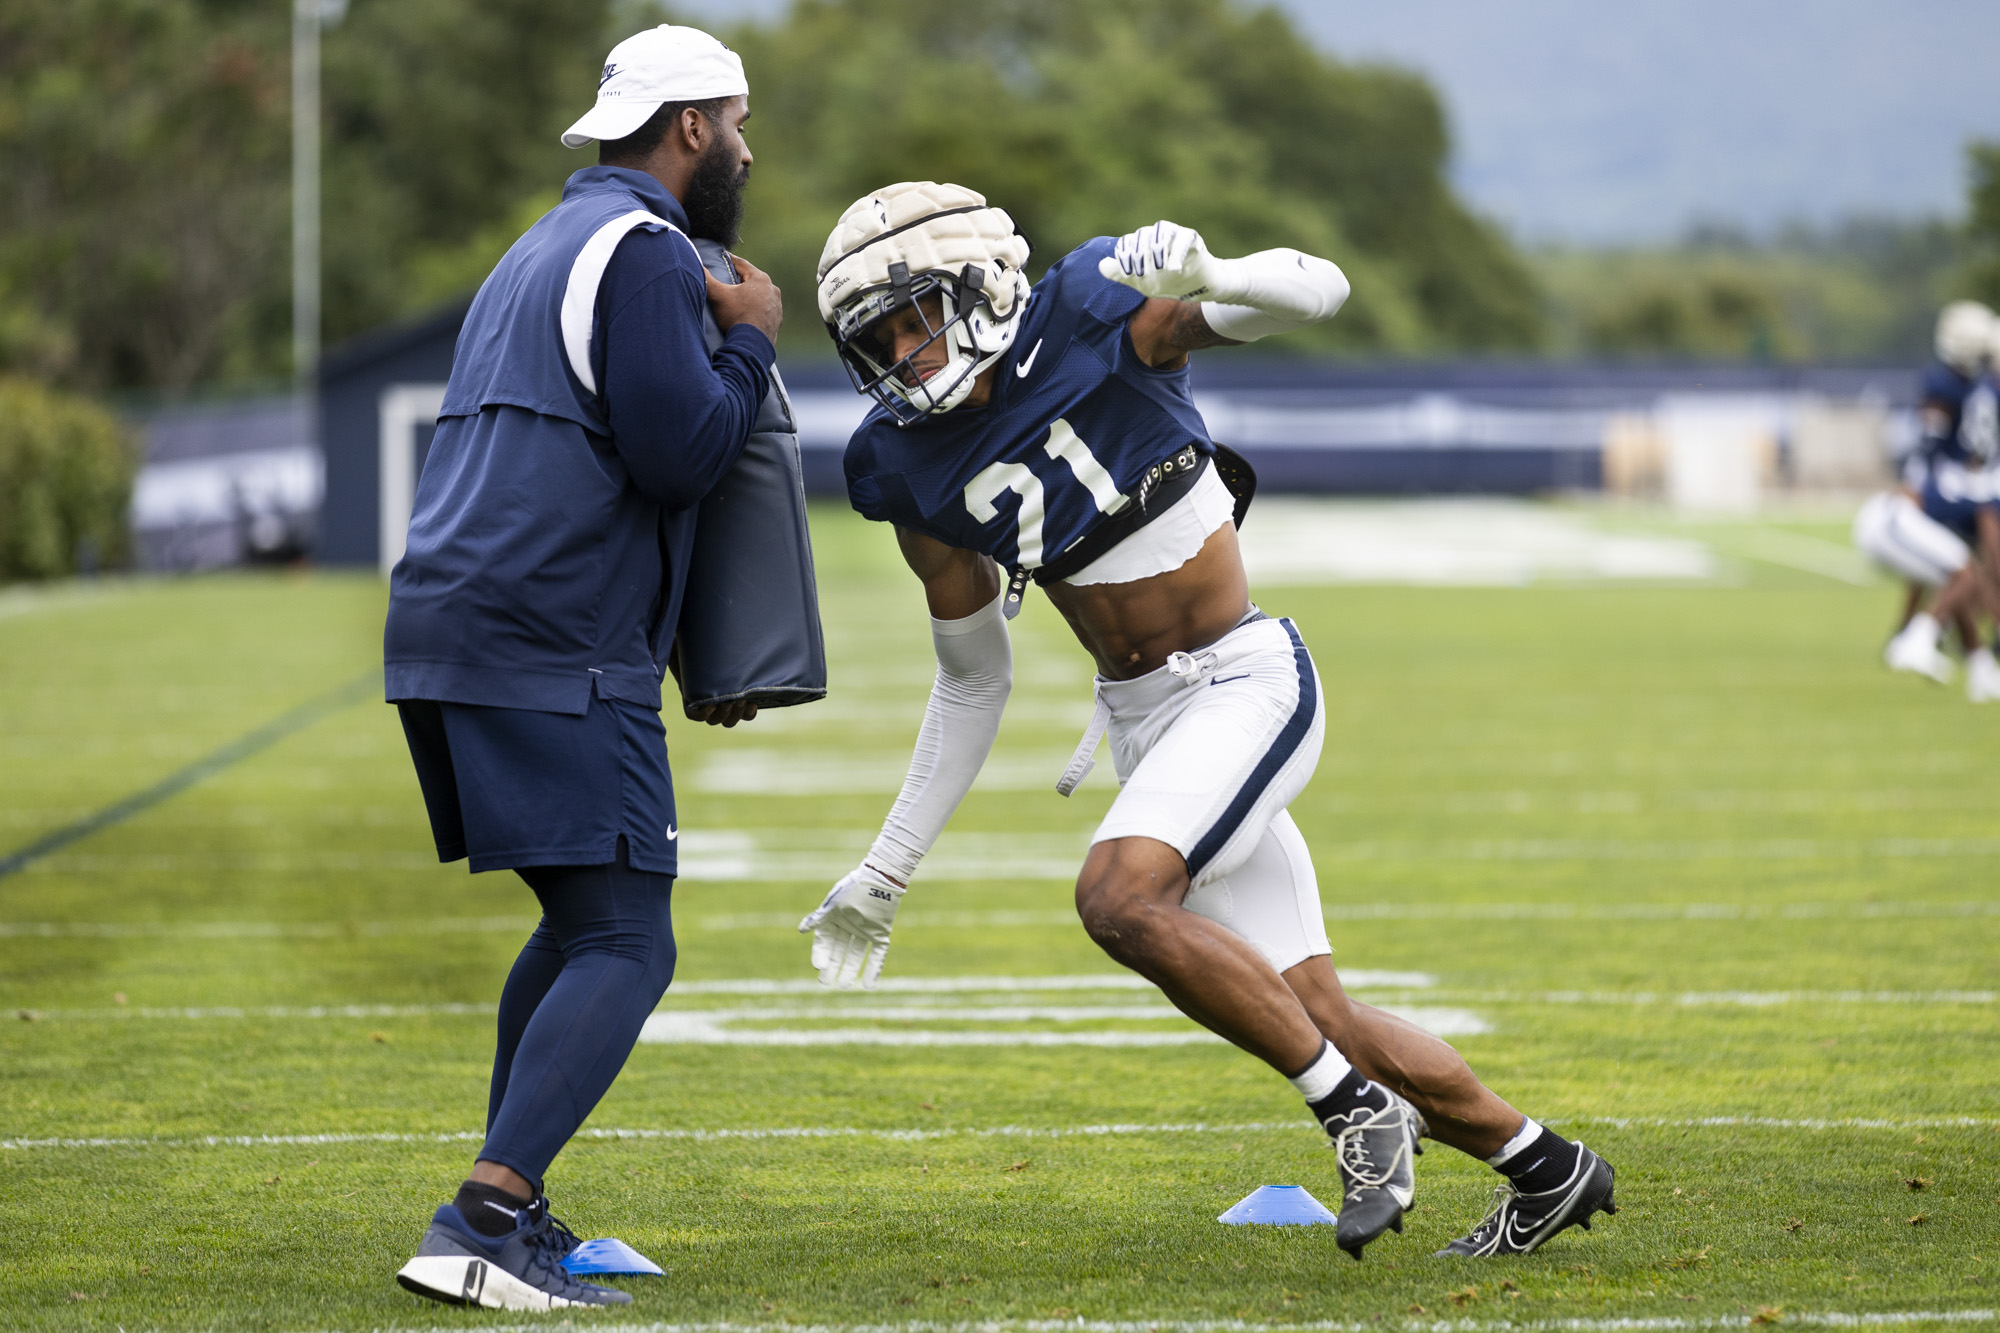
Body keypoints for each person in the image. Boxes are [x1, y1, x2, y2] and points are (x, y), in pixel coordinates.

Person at [797, 184, 1616, 1260]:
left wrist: (1216, 278)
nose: (904, 353)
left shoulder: (1093, 304)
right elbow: (968, 680)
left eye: (917, 317)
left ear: (983, 284)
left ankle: (1356, 1114)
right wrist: (887, 867)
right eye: (880, 339)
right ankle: (1543, 1165)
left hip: (1241, 681)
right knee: (1319, 1009)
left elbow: (1316, 291)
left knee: (1117, 897)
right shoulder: (896, 463)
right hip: (1144, 721)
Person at [381, 25, 783, 1310]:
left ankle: (516, 1203)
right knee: (626, 936)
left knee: (576, 919)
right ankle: (483, 1215)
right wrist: (756, 339)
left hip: (449, 624)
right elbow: (679, 452)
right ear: (685, 131)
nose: (744, 147)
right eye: (733, 122)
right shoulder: (650, 252)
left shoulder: (540, 241)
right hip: (547, 640)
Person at [1865, 304, 2000, 697]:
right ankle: (1917, 638)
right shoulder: (1964, 390)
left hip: (1944, 487)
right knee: (1961, 572)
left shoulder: (1967, 389)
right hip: (1939, 494)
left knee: (1954, 572)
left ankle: (1959, 656)